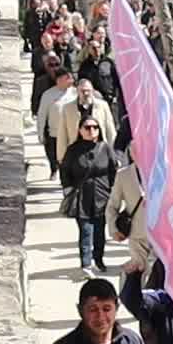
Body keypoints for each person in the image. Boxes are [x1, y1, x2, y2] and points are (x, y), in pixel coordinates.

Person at [61, 116, 118, 275]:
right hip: (81, 196)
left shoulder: (105, 148)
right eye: (87, 127)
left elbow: (113, 170)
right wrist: (67, 189)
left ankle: (98, 259)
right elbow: (65, 171)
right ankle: (86, 263)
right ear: (80, 130)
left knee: (100, 231)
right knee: (86, 231)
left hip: (102, 196)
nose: (91, 130)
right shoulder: (73, 150)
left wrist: (114, 192)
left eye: (95, 127)